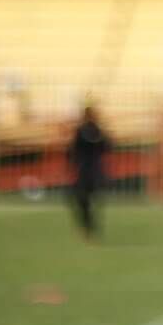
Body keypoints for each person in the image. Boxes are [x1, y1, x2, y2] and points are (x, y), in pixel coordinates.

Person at [67, 103, 110, 241]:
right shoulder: (84, 131)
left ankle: (88, 227)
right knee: (83, 200)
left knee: (85, 200)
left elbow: (107, 146)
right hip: (88, 170)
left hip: (91, 170)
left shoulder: (95, 131)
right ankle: (88, 227)